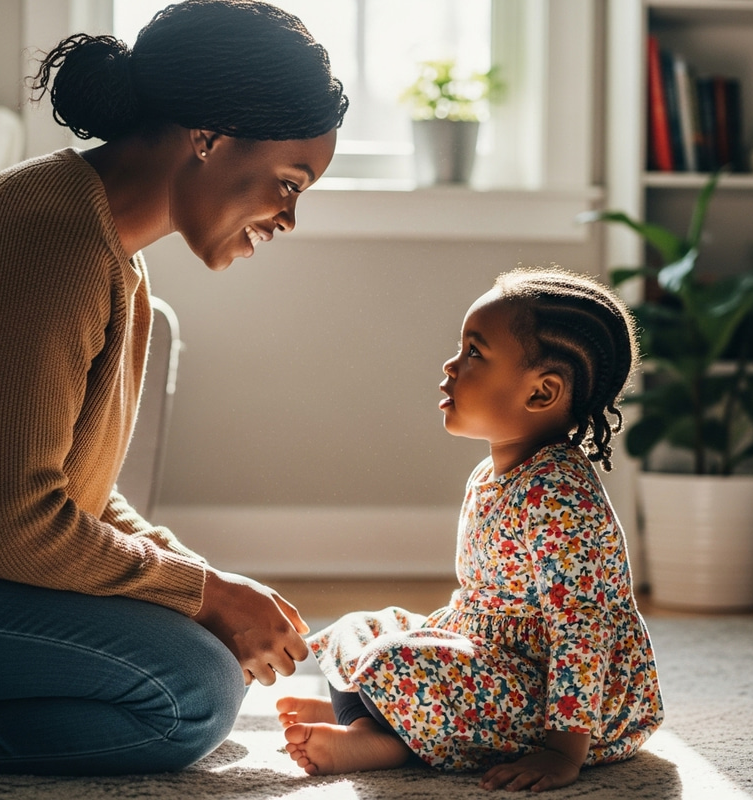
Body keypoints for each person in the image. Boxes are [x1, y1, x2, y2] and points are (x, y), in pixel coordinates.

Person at [0, 0, 347, 776]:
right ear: (210, 137)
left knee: (203, 651)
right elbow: (7, 524)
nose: (288, 218)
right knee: (190, 690)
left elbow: (76, 491)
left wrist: (207, 587)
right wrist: (206, 594)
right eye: (287, 182)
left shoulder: (103, 244)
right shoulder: (54, 240)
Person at [279, 267, 664, 792]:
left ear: (541, 392)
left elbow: (582, 627)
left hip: (564, 699)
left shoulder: (558, 494)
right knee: (363, 628)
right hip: (493, 659)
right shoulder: (491, 473)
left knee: (395, 658)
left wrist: (562, 751)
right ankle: (371, 714)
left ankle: (385, 738)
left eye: (475, 353)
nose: (451, 365)